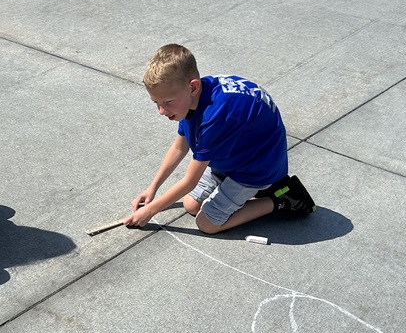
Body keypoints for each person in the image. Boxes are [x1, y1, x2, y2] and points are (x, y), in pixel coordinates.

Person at [126, 44, 314, 233]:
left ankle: (281, 198)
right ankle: (245, 191)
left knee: (207, 224)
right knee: (190, 205)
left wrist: (150, 210)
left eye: (167, 102)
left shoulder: (216, 116)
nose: (161, 111)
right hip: (235, 154)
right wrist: (152, 188)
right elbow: (179, 148)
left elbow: (190, 181)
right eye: (156, 102)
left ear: (193, 87)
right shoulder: (191, 97)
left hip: (257, 168)